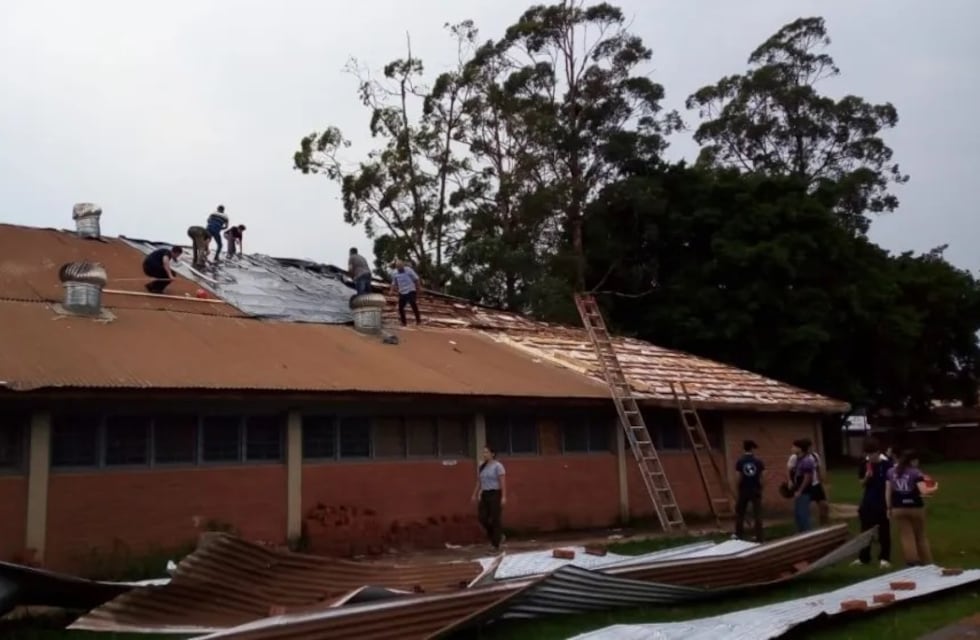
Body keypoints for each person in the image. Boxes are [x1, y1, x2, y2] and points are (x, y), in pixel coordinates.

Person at [886, 449, 938, 566]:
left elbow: (888, 491)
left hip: (898, 507)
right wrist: (934, 488)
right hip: (915, 507)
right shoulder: (916, 473)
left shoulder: (891, 472)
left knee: (906, 535)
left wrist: (889, 507)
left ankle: (912, 561)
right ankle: (928, 562)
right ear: (913, 461)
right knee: (920, 536)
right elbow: (923, 491)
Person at [853, 437, 893, 568]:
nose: (870, 456)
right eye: (867, 454)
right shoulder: (864, 464)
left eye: (872, 454)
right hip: (868, 502)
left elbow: (891, 483)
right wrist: (866, 477)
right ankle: (864, 557)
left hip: (882, 502)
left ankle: (884, 558)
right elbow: (861, 484)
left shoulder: (887, 464)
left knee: (884, 532)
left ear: (877, 452)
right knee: (865, 531)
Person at [471, 445, 507, 551]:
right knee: (482, 518)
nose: (484, 454)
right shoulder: (482, 466)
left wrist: (504, 496)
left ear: (492, 454)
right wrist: (474, 494)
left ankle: (495, 544)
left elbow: (502, 482)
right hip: (485, 494)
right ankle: (498, 536)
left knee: (495, 519)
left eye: (486, 452)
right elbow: (479, 481)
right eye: (484, 452)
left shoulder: (498, 466)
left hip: (495, 493)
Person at [734, 439, 765, 542]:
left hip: (744, 490)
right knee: (758, 514)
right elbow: (762, 477)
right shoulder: (758, 461)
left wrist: (737, 488)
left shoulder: (740, 461)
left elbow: (738, 477)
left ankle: (739, 535)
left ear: (744, 448)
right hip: (755, 489)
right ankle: (759, 536)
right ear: (752, 449)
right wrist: (761, 488)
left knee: (740, 513)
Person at [791, 439, 817, 532]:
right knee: (798, 515)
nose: (792, 449)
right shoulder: (798, 460)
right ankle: (800, 534)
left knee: (803, 515)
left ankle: (808, 535)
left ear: (800, 448)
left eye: (794, 447)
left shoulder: (807, 461)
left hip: (804, 492)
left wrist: (800, 491)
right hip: (799, 491)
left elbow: (807, 478)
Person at [390, 259, 422, 326]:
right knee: (401, 307)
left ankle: (418, 320)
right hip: (402, 291)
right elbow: (393, 283)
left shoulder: (408, 270)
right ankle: (404, 322)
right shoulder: (394, 273)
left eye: (401, 268)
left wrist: (418, 288)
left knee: (413, 303)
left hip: (411, 289)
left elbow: (416, 279)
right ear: (396, 267)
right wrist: (391, 290)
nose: (400, 270)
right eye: (398, 268)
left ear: (403, 266)